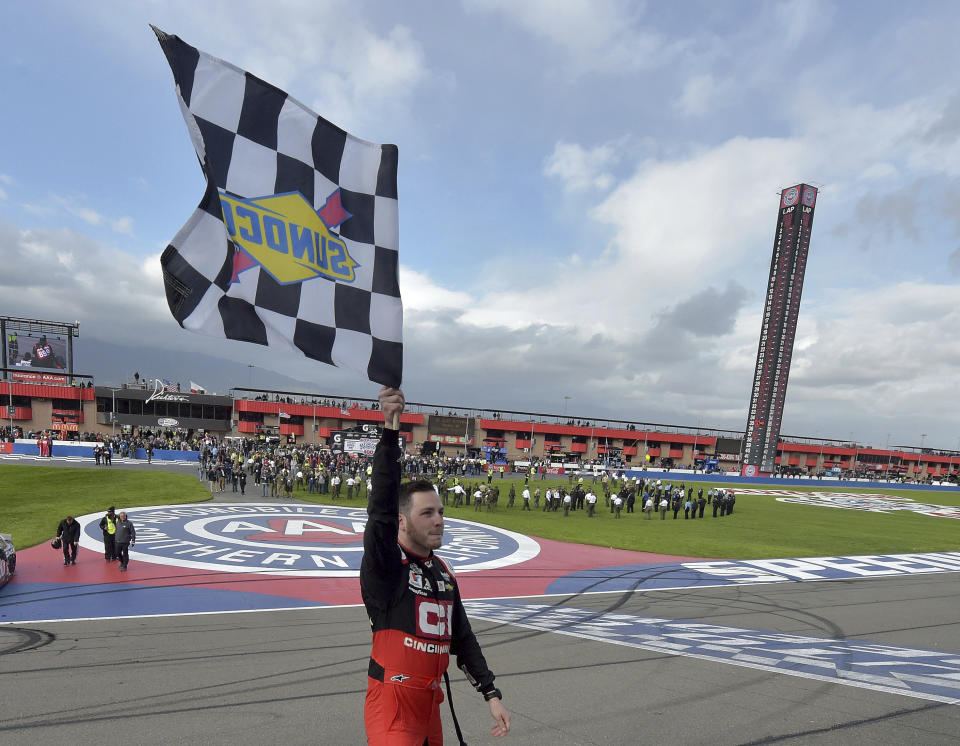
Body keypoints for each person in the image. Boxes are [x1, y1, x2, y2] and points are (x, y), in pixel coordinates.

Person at [361, 387, 510, 744]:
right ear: (402, 521)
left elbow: (463, 635)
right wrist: (390, 431)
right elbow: (379, 510)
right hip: (393, 705)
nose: (439, 520)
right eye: (427, 513)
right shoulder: (386, 566)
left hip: (431, 706)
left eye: (440, 511)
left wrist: (491, 693)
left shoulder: (442, 571)